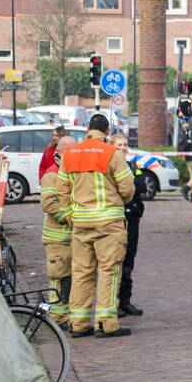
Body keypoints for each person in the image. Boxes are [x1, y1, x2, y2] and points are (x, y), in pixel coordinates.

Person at [56, 114, 135, 338]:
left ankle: (78, 324)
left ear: (88, 129)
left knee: (81, 273)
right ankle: (106, 324)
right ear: (107, 132)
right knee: (109, 271)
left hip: (81, 224)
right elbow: (127, 188)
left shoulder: (70, 154)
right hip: (109, 224)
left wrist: (71, 214)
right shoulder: (112, 153)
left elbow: (61, 191)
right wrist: (119, 202)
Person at [38, 135, 77, 329]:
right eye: (69, 151)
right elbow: (48, 203)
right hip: (58, 238)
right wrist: (71, 218)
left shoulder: (70, 172)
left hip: (70, 238)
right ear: (58, 153)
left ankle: (65, 314)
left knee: (69, 278)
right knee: (59, 278)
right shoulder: (52, 174)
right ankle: (57, 317)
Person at [111, 134, 145, 318]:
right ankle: (112, 302)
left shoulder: (132, 165)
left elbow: (140, 187)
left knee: (129, 261)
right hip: (116, 219)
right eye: (119, 145)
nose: (123, 148)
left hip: (132, 219)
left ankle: (126, 301)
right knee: (115, 261)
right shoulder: (110, 166)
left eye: (125, 145)